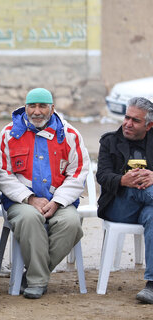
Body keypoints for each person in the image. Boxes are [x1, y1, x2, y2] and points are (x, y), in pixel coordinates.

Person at [0, 88, 89, 299]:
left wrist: (57, 202)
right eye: (32, 106)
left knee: (71, 224)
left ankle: (31, 276)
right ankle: (38, 282)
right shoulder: (9, 133)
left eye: (42, 106)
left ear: (52, 108)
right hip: (22, 201)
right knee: (30, 219)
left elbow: (78, 172)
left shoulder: (69, 134)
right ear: (25, 107)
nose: (37, 111)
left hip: (59, 201)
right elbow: (2, 173)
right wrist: (29, 199)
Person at [96, 97, 153, 304]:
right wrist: (122, 180)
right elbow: (101, 175)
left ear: (149, 125)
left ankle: (152, 285)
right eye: (126, 117)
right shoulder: (110, 141)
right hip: (120, 205)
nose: (128, 123)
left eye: (135, 120)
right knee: (141, 186)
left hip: (148, 205)